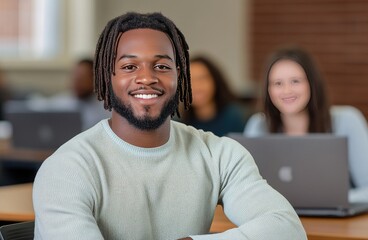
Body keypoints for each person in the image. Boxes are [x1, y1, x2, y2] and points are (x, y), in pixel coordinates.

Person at [33, 12, 307, 240]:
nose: (147, 78)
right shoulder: (67, 168)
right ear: (108, 76)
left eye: (162, 66)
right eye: (129, 67)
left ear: (180, 76)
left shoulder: (219, 154)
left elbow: (287, 228)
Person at [244, 46, 368, 204]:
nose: (286, 90)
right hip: (280, 222)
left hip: (335, 224)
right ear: (268, 90)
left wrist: (323, 200)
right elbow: (244, 189)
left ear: (312, 83)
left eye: (295, 81)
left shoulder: (347, 120)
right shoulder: (258, 125)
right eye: (277, 83)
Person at [178, 55, 245, 136]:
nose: (195, 86)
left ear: (215, 81)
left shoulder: (236, 117)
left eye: (202, 78)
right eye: (189, 80)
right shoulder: (179, 125)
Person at [52, 58, 111, 130]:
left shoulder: (107, 111)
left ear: (95, 80)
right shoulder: (60, 103)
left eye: (82, 78)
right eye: (75, 77)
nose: (76, 83)